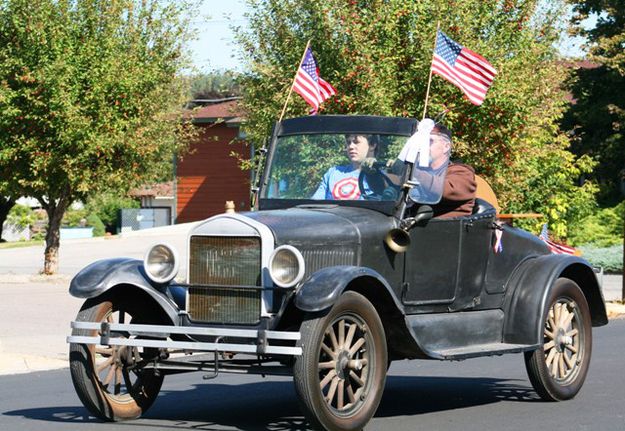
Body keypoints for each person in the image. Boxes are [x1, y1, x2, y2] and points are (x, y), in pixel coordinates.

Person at [407, 124, 476, 218]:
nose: (423, 146)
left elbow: (445, 190)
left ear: (446, 146)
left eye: (430, 141)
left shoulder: (462, 173)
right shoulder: (421, 171)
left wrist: (414, 172)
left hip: (444, 229)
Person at [311, 134, 378, 200]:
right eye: (348, 143)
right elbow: (314, 204)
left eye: (356, 142)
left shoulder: (383, 175)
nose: (351, 146)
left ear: (372, 145)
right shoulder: (333, 172)